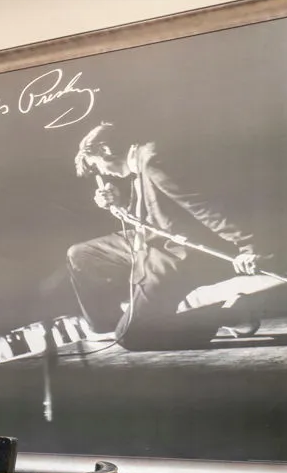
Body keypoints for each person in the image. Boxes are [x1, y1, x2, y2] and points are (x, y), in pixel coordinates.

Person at [64, 121, 264, 351]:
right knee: (80, 254)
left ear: (106, 151)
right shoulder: (139, 161)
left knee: (133, 337)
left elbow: (203, 207)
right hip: (144, 240)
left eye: (97, 165)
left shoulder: (152, 161)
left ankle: (230, 315)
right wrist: (117, 200)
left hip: (171, 252)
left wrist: (248, 246)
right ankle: (104, 328)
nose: (101, 172)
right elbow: (152, 209)